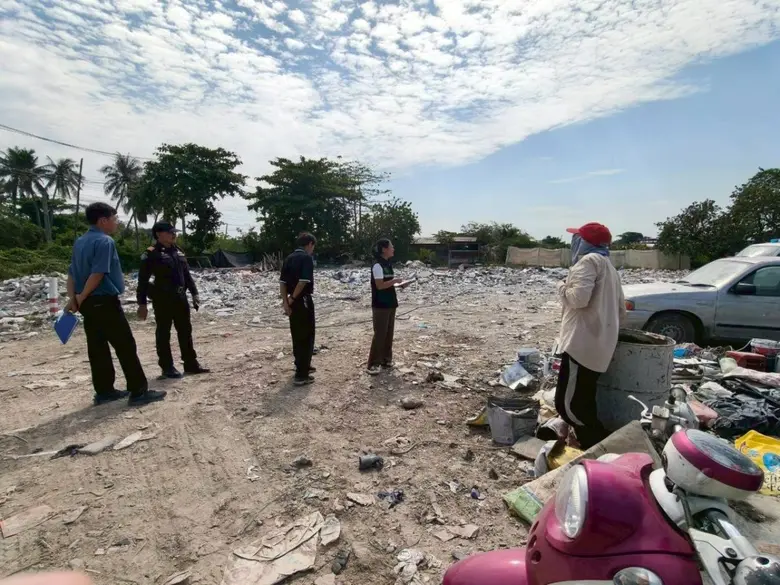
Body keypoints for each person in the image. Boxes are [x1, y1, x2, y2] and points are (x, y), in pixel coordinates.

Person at [66, 202, 165, 406]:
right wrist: (82, 296)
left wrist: (74, 299)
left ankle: (104, 391)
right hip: (103, 301)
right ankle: (138, 391)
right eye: (115, 219)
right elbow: (98, 273)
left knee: (97, 346)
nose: (116, 223)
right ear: (103, 220)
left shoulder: (80, 242)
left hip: (87, 304)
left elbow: (71, 274)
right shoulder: (105, 241)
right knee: (125, 345)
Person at [555, 222, 625, 449]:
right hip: (598, 346)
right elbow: (621, 309)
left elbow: (578, 299)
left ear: (584, 242)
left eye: (577, 238)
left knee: (568, 406)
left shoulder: (587, 262)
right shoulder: (609, 266)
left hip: (580, 344)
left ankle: (594, 444)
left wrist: (561, 287)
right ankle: (593, 440)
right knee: (585, 398)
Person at [136, 222, 210, 379]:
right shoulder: (151, 254)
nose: (173, 235)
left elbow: (187, 276)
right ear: (158, 234)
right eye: (170, 233)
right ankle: (167, 366)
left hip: (180, 298)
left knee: (185, 331)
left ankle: (190, 363)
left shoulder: (178, 252)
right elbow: (143, 281)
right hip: (163, 299)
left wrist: (194, 293)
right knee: (163, 333)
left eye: (174, 232)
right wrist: (141, 304)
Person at [366, 238, 409, 375]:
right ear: (384, 249)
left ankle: (386, 359)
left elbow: (388, 284)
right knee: (380, 333)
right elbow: (380, 285)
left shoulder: (388, 264)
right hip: (380, 304)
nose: (393, 249)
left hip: (391, 302)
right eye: (391, 247)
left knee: (389, 333)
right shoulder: (377, 265)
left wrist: (400, 284)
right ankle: (374, 363)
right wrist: (394, 281)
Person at [280, 233, 316, 386]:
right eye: (313, 246)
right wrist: (293, 298)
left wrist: (286, 303)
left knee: (296, 333)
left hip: (292, 300)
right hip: (302, 300)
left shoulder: (289, 258)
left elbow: (282, 283)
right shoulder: (306, 259)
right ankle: (302, 374)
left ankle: (302, 365)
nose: (312, 250)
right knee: (307, 335)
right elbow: (302, 282)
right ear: (309, 244)